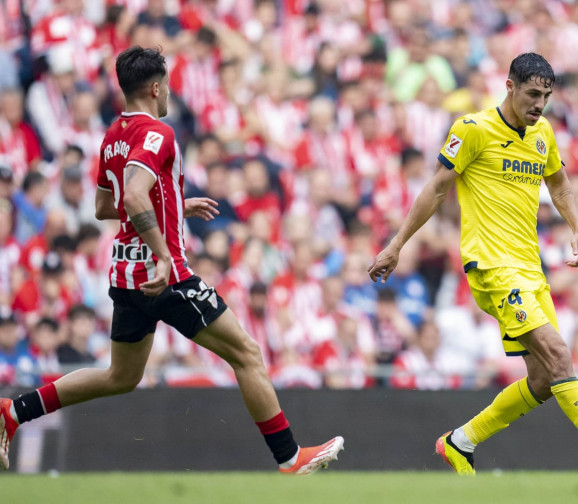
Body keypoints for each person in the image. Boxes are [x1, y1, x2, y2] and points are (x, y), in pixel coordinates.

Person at [0, 46, 343, 474]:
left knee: (119, 377)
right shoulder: (158, 133)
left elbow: (106, 207)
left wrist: (175, 204)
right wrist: (163, 253)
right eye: (168, 85)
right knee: (247, 354)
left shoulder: (113, 136)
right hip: (166, 274)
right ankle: (290, 457)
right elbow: (135, 194)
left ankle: (13, 412)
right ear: (157, 87)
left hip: (125, 274)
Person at [368, 53, 578, 475]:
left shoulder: (543, 135)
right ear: (510, 86)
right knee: (559, 354)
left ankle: (459, 442)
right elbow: (436, 188)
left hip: (530, 270)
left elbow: (559, 184)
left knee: (542, 379)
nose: (539, 104)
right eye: (532, 94)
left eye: (546, 97)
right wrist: (396, 245)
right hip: (492, 268)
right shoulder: (472, 130)